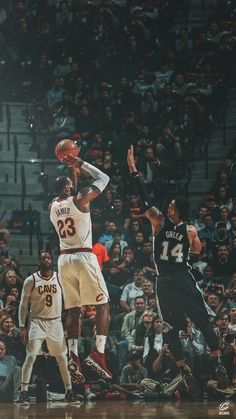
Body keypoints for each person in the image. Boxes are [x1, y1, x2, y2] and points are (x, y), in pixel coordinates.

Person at [127, 145, 229, 397]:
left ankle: (183, 369)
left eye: (171, 205)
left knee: (171, 328)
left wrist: (133, 170)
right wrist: (187, 253)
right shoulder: (191, 230)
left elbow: (143, 197)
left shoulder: (158, 222)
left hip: (165, 282)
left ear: (172, 210)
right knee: (204, 320)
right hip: (184, 277)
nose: (168, 206)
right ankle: (217, 362)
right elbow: (198, 249)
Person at [49, 154, 112, 382]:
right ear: (68, 187)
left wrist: (71, 172)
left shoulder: (52, 206)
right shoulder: (80, 199)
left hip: (64, 260)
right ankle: (99, 354)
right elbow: (103, 178)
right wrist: (80, 164)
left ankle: (73, 356)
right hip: (83, 256)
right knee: (103, 304)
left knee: (73, 310)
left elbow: (68, 193)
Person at [18, 251, 78, 405]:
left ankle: (69, 391)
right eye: (43, 258)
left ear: (52, 260)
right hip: (37, 322)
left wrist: (70, 317)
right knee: (31, 356)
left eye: (48, 257)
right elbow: (23, 305)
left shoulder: (59, 278)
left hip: (56, 322)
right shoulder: (31, 280)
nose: (45, 259)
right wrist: (22, 326)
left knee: (62, 358)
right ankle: (23, 393)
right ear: (39, 261)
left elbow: (70, 300)